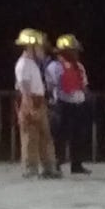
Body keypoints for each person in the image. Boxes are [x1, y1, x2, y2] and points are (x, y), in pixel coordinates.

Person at [14, 29, 60, 179]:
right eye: (39, 47)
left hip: (38, 100)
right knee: (30, 136)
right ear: (30, 47)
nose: (42, 50)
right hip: (31, 101)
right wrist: (29, 105)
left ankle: (48, 167)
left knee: (44, 135)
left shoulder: (31, 63)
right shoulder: (23, 64)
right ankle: (30, 168)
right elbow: (24, 86)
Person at [45, 34, 90, 175]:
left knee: (79, 136)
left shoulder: (80, 67)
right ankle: (57, 163)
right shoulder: (54, 67)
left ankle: (77, 165)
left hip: (79, 104)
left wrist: (86, 98)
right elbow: (50, 86)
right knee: (60, 136)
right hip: (63, 105)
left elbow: (84, 85)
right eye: (73, 50)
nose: (76, 53)